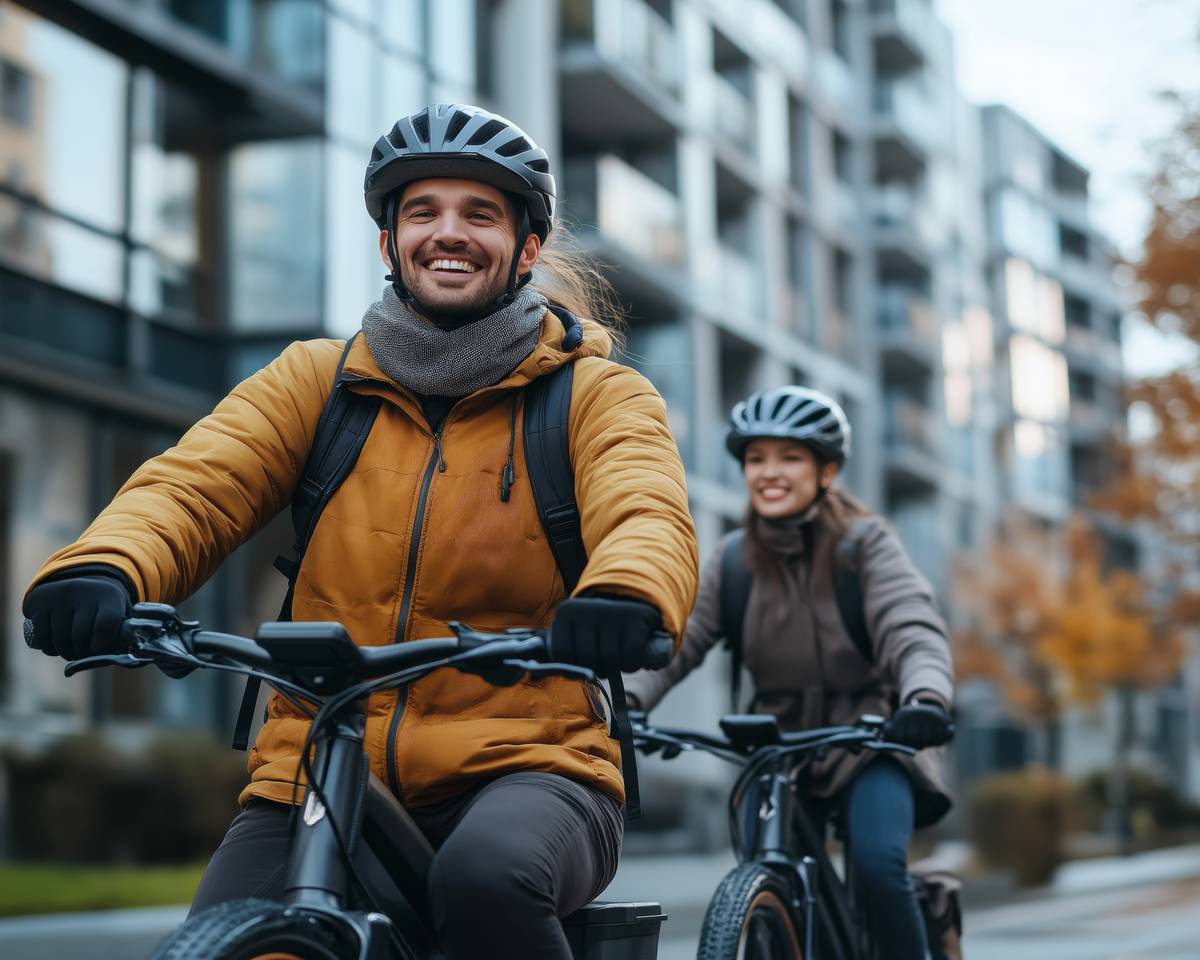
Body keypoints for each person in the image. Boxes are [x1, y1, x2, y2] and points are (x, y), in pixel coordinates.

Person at [22, 103, 699, 960]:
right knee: (226, 936)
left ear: (526, 249)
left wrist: (623, 594)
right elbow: (195, 485)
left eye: (480, 214)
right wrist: (106, 568)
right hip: (319, 753)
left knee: (484, 884)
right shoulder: (317, 380)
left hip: (534, 761)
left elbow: (645, 510)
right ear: (389, 242)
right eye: (422, 212)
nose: (447, 233)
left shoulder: (596, 396)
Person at [623, 385, 954, 960]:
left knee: (877, 869)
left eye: (790, 458)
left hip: (871, 738)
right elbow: (680, 641)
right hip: (777, 748)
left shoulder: (865, 544)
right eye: (756, 459)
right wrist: (625, 700)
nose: (769, 473)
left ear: (826, 472)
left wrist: (925, 698)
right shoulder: (731, 561)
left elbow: (911, 624)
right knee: (763, 870)